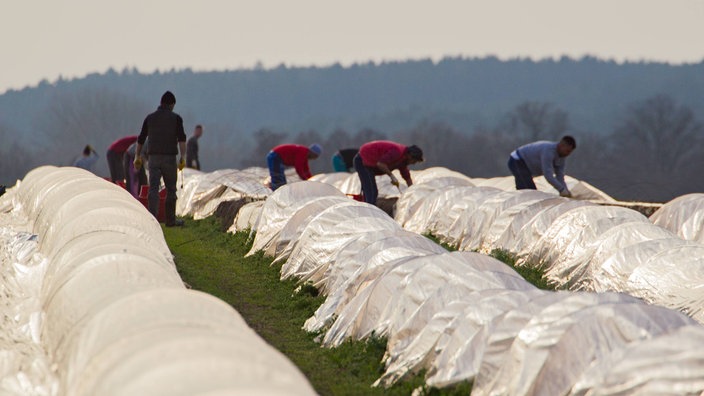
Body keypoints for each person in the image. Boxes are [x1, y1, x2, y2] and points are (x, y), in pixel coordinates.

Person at [134, 91, 187, 227]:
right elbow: (181, 139)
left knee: (153, 188)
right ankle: (170, 221)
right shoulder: (176, 118)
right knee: (171, 189)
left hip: (153, 158)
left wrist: (137, 156)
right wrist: (183, 157)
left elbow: (141, 138)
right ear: (171, 104)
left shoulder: (150, 118)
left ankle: (152, 219)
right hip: (169, 158)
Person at [353, 140, 424, 205]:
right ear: (410, 156)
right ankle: (369, 210)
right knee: (371, 191)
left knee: (372, 191)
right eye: (414, 161)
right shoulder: (397, 152)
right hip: (363, 160)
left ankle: (369, 207)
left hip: (368, 163)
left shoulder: (403, 161)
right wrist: (391, 176)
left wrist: (412, 192)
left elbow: (407, 177)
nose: (413, 163)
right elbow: (380, 164)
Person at [507, 135, 576, 197]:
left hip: (527, 166)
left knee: (529, 190)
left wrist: (566, 191)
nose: (568, 154)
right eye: (567, 151)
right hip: (517, 160)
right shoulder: (548, 151)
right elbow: (548, 175)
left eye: (570, 152)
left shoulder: (561, 158)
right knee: (529, 191)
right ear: (561, 145)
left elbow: (560, 176)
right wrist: (561, 189)